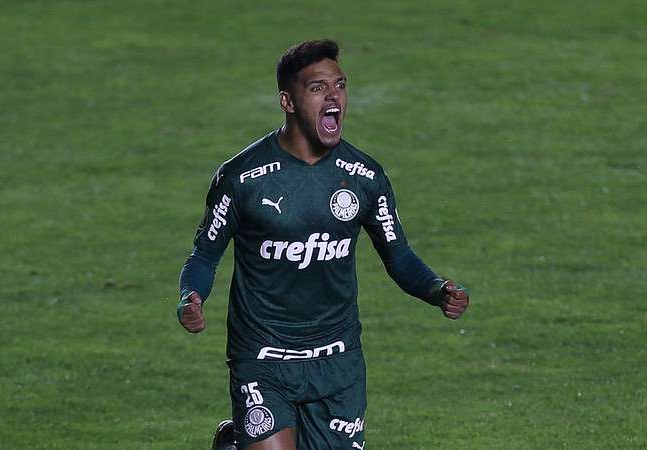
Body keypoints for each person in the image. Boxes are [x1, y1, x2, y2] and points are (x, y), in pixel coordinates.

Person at [178, 39, 469, 450]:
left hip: (338, 359)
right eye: (317, 88)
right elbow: (205, 254)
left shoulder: (365, 177)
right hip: (263, 357)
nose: (334, 96)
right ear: (288, 101)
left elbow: (398, 254)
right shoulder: (243, 178)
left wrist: (437, 289)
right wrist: (192, 295)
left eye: (340, 85)